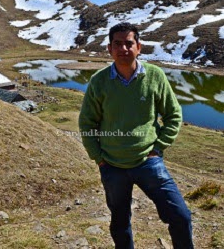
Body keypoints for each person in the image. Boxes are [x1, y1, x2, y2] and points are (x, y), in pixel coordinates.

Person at [78, 22, 194, 249]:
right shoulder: (99, 81)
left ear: (139, 47)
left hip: (148, 162)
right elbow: (87, 122)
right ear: (109, 49)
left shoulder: (155, 76)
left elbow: (173, 114)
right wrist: (98, 158)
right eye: (117, 44)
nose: (123, 49)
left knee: (181, 216)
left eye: (128, 43)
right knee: (120, 223)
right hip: (112, 165)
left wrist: (158, 148)